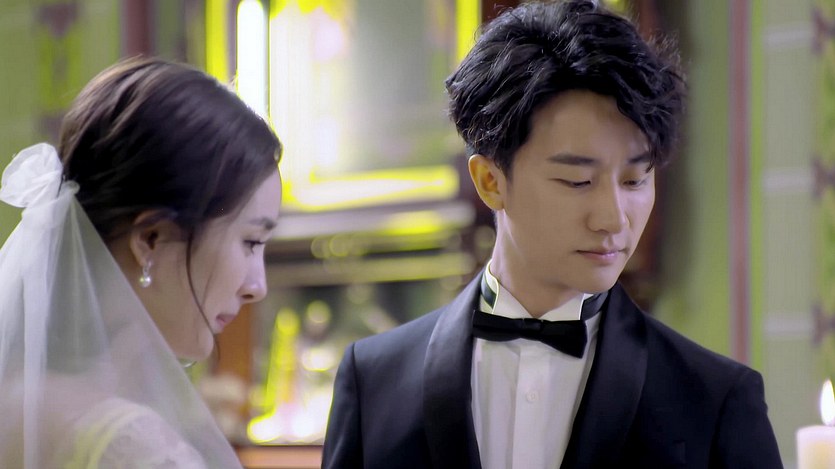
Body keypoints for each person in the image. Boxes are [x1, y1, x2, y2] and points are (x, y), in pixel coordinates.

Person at [322, 1, 783, 468]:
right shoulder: (373, 382)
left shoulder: (716, 401)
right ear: (490, 181)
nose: (613, 219)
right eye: (577, 181)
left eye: (634, 180)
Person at [0, 57, 283, 468]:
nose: (257, 286)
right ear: (151, 240)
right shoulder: (130, 445)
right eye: (251, 242)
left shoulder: (18, 401)